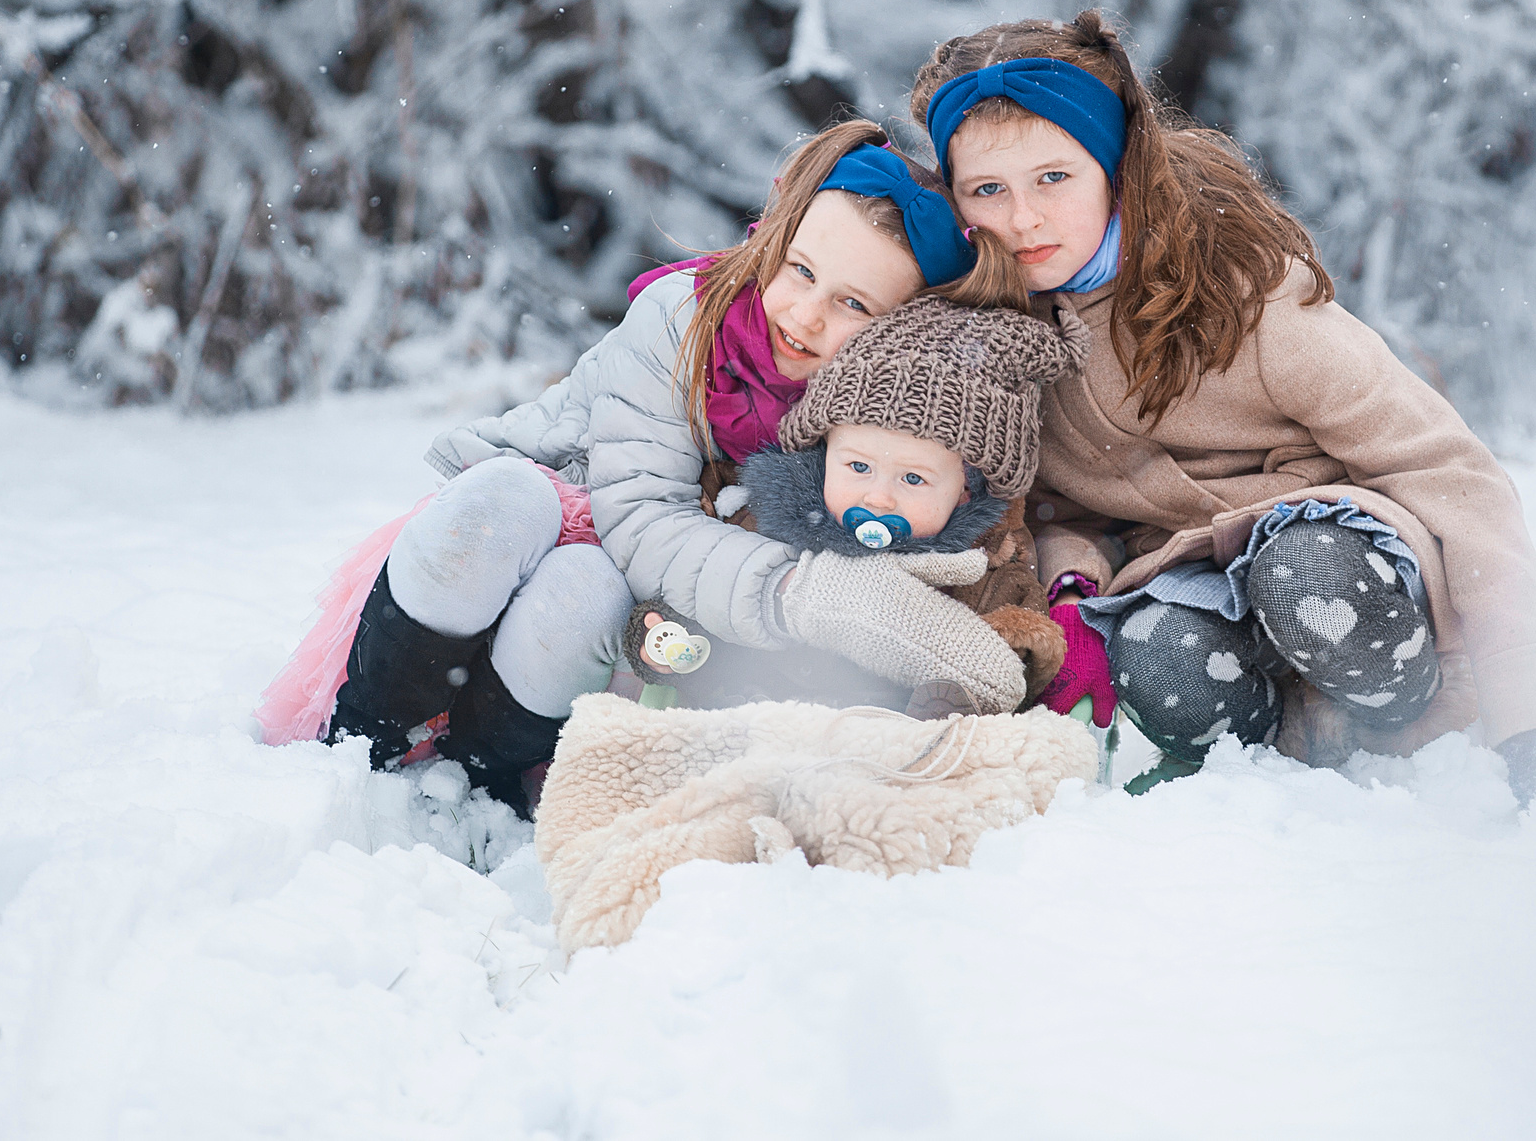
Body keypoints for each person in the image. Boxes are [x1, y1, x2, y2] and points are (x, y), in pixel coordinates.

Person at [910, 12, 1536, 806]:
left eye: (1054, 178)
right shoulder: (998, 341)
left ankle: (1405, 717)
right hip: (1185, 581)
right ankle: (1280, 764)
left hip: (1343, 551)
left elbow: (1451, 472)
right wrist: (1071, 585)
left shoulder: (1241, 294)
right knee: (1158, 653)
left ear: (1115, 167)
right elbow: (1052, 507)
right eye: (988, 190)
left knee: (1306, 576)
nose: (1023, 218)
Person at [253, 122, 1011, 811]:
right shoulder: (684, 317)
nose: (807, 315)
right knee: (505, 500)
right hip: (543, 530)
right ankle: (362, 743)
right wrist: (799, 592)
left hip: (638, 614)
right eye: (801, 270)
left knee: (588, 591)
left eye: (855, 305)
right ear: (774, 239)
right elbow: (639, 514)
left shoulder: (884, 418)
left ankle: (479, 782)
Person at [622, 293, 1083, 718]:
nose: (878, 497)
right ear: (824, 454)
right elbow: (714, 587)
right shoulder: (765, 516)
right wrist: (669, 634)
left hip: (885, 740)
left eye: (913, 478)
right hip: (746, 716)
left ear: (965, 491)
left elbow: (1019, 649)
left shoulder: (984, 564)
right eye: (859, 467)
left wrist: (981, 674)